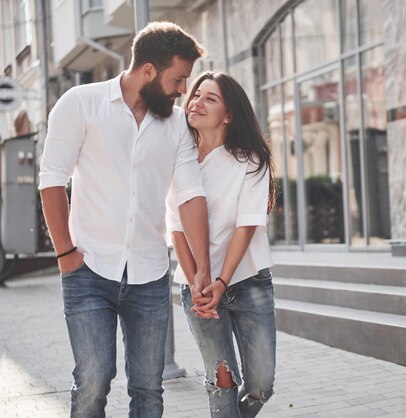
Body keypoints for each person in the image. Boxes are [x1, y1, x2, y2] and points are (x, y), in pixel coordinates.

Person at [38, 22, 212, 417]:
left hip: (149, 275)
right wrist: (66, 254)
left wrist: (202, 268)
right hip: (88, 269)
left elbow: (190, 195)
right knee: (94, 382)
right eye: (178, 79)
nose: (183, 90)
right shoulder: (80, 103)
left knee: (149, 389)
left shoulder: (176, 125)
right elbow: (51, 180)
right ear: (148, 70)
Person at [166, 71, 276, 417]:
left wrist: (221, 281)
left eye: (209, 98)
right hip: (196, 287)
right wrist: (198, 282)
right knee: (222, 382)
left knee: (261, 385)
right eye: (195, 95)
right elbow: (176, 229)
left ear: (229, 114)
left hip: (248, 281)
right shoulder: (177, 159)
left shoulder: (250, 160)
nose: (196, 101)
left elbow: (246, 226)